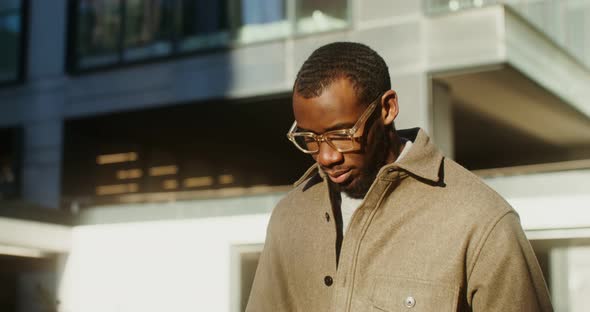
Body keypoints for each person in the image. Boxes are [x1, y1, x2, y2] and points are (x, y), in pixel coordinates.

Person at [246, 42, 553, 311]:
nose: (327, 157)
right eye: (310, 139)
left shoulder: (480, 220)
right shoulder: (290, 216)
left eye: (342, 134)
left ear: (388, 108)